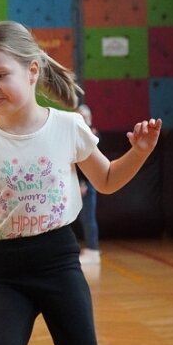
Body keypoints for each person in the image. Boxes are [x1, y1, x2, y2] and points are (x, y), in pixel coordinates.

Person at [0, 20, 162, 345]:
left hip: (58, 261)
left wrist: (139, 153)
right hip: (4, 272)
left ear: (32, 71)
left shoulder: (68, 126)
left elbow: (105, 179)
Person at [75, 103, 101, 265]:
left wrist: (83, 183)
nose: (83, 119)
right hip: (77, 183)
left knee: (88, 218)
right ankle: (89, 248)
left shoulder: (92, 134)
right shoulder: (77, 133)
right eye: (80, 116)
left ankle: (93, 249)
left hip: (87, 184)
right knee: (79, 218)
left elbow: (90, 162)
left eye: (85, 116)